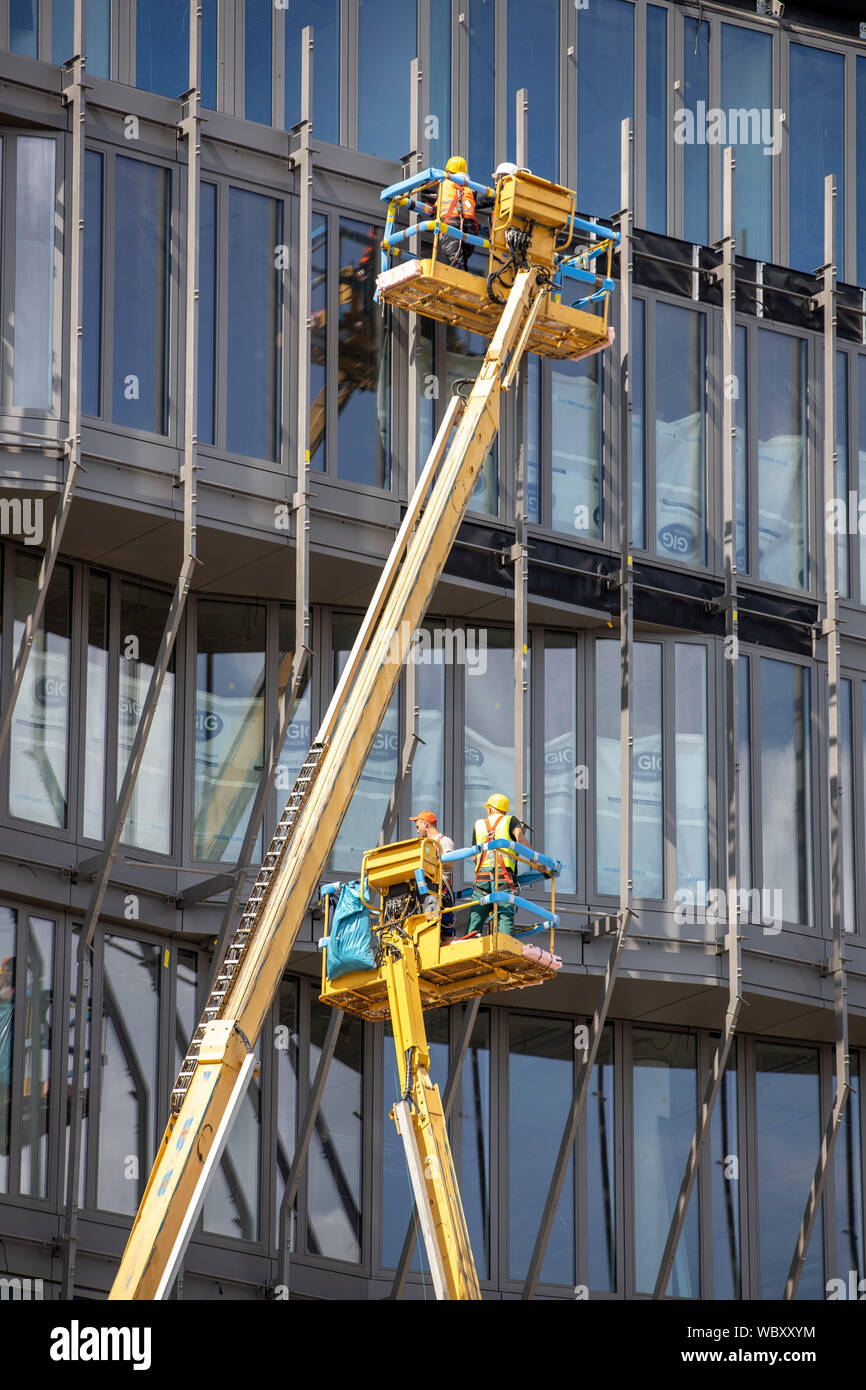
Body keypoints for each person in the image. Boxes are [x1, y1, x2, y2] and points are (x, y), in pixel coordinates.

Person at [465, 793, 530, 938]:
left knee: (477, 914)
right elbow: (520, 838)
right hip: (503, 876)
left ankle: (468, 943)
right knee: (504, 913)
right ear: (505, 810)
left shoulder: (478, 824)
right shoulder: (510, 820)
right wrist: (536, 859)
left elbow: (475, 856)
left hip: (482, 877)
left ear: (489, 809)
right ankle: (504, 944)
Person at [409, 811, 457, 942]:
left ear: (425, 823)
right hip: (426, 892)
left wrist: (431, 861)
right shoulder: (423, 844)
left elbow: (449, 863)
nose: (417, 831)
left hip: (441, 891)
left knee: (445, 933)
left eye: (418, 827)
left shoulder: (444, 841)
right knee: (427, 930)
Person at [436, 155, 480, 273]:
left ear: (449, 170)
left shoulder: (443, 183)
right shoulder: (471, 187)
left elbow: (438, 205)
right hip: (471, 229)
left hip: (451, 225)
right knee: (462, 261)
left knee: (455, 261)